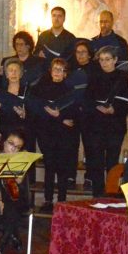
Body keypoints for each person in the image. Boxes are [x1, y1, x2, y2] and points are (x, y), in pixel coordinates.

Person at [82, 45, 128, 196]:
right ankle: (97, 196)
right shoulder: (94, 77)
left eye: (108, 59)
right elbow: (86, 101)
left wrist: (114, 109)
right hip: (96, 126)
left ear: (115, 60)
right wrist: (96, 107)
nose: (104, 63)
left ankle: (110, 195)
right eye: (101, 60)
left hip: (114, 126)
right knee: (96, 163)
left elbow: (127, 104)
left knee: (112, 163)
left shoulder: (124, 79)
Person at [29, 58, 77, 212]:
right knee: (49, 166)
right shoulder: (40, 88)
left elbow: (73, 115)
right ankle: (48, 200)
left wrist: (59, 116)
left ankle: (62, 200)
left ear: (65, 74)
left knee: (62, 166)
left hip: (64, 134)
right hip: (46, 132)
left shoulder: (70, 90)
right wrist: (58, 117)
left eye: (61, 70)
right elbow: (35, 109)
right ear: (50, 71)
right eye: (55, 69)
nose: (57, 72)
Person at [0, 130, 32, 251]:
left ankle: (2, 242)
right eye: (11, 144)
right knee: (6, 211)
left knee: (12, 208)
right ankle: (14, 236)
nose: (13, 149)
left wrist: (21, 163)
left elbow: (19, 181)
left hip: (17, 198)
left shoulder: (20, 160)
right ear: (3, 142)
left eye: (17, 147)